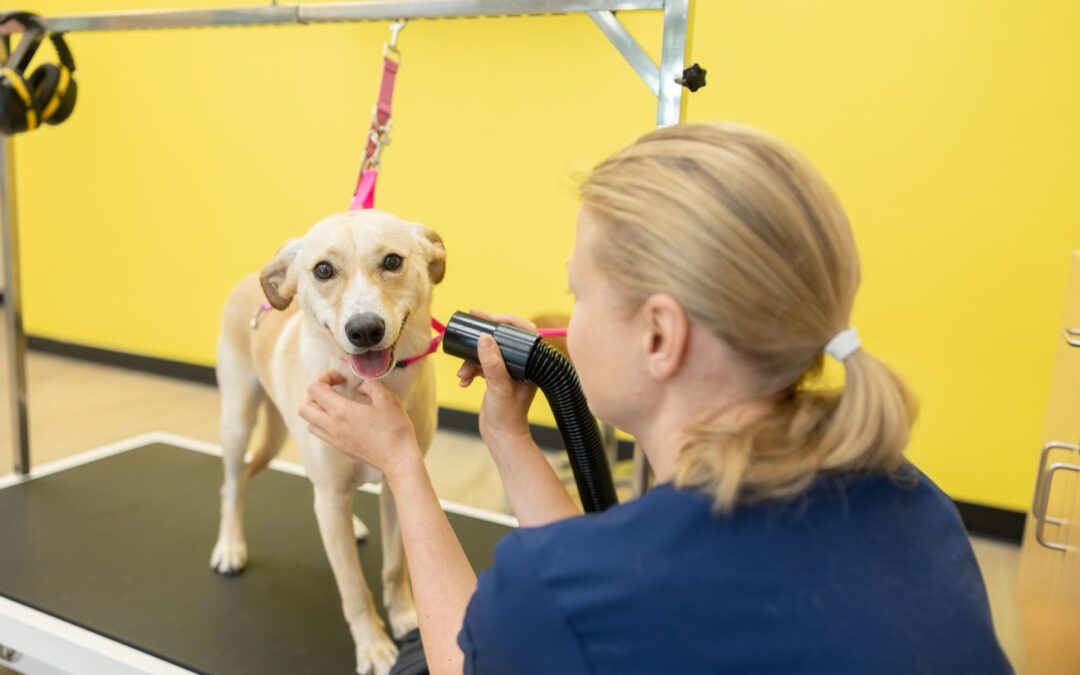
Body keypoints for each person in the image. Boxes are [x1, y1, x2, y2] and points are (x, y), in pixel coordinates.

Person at [299, 122, 1012, 674]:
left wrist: (400, 460)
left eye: (578, 294)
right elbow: (586, 581)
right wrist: (509, 437)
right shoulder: (915, 498)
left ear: (660, 335)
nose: (565, 319)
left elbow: (469, 660)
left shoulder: (570, 585)